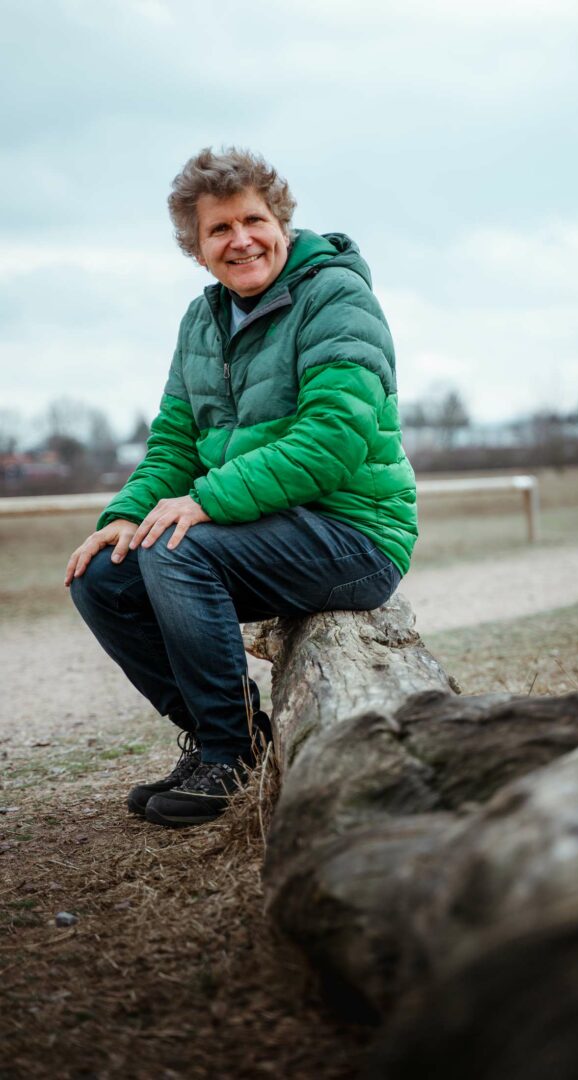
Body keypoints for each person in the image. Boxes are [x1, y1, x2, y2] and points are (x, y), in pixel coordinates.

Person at [65, 148, 417, 828]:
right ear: (196, 249)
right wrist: (127, 513)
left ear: (281, 222)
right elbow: (174, 441)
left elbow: (332, 441)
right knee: (102, 577)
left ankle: (227, 759)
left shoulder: (337, 298)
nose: (241, 240)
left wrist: (204, 502)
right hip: (257, 532)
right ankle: (226, 735)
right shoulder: (203, 322)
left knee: (178, 547)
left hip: (353, 533)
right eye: (218, 230)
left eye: (253, 219)